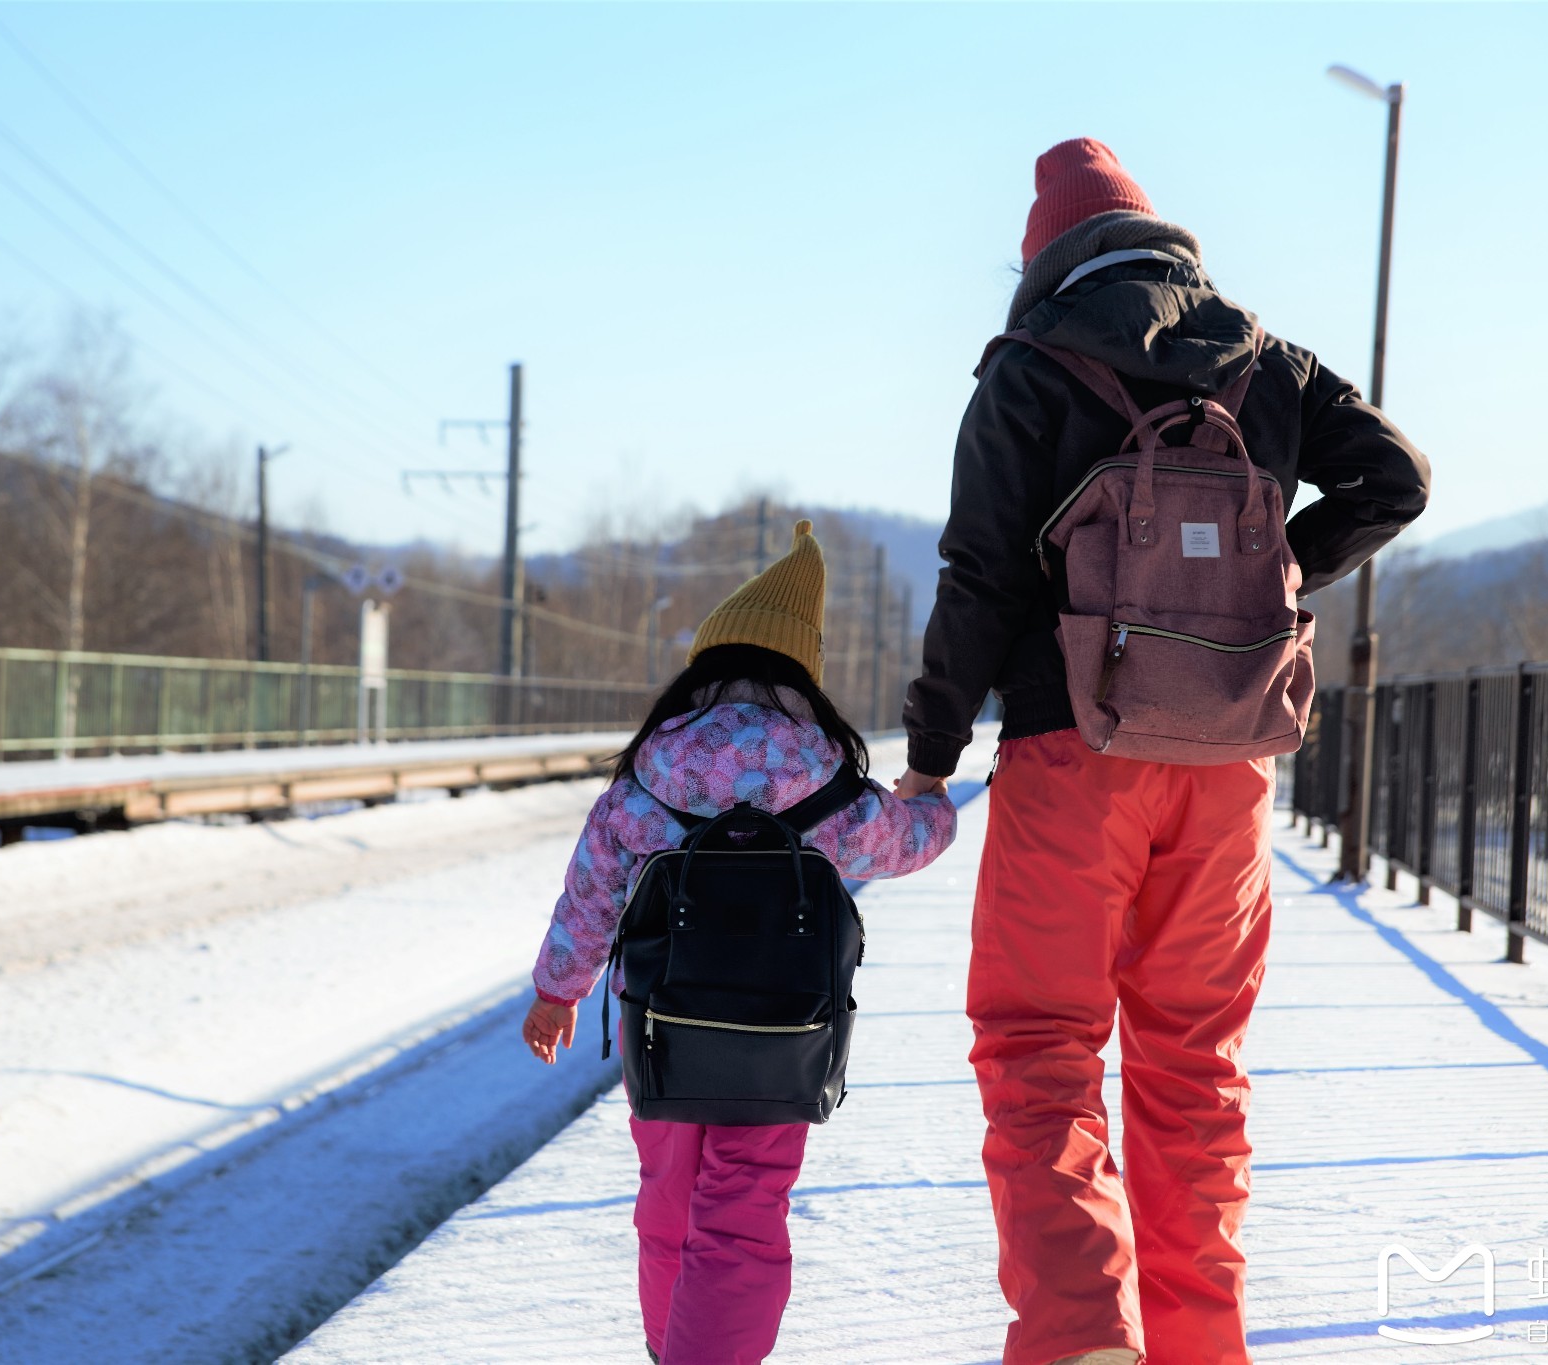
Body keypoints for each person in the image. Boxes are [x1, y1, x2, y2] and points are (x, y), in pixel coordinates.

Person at [895, 139, 1430, 1365]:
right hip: (1230, 768)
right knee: (1194, 1071)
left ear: (1044, 256)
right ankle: (1201, 1347)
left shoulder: (1029, 368)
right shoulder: (1268, 363)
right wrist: (1279, 577)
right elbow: (1394, 480)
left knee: (1039, 1048)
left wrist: (929, 752)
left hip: (1070, 749)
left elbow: (977, 577)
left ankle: (1084, 1337)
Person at [524, 519, 958, 1365]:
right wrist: (932, 797)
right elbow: (905, 842)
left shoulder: (652, 767)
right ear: (804, 671)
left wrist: (557, 991)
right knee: (744, 1212)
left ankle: (673, 1349)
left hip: (663, 1029)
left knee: (667, 1206)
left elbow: (592, 888)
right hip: (783, 1032)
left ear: (707, 664)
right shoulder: (824, 773)